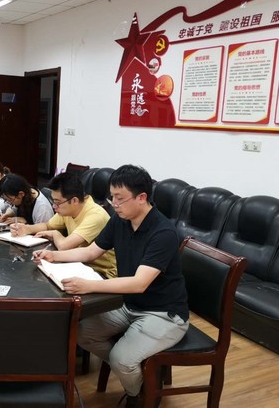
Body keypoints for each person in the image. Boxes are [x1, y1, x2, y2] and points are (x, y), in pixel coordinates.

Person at [33, 165, 189, 408]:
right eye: (111, 197)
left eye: (119, 198)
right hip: (128, 304)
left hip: (163, 313)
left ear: (141, 197)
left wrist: (90, 286)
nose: (113, 204)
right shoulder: (121, 220)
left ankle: (140, 394)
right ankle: (138, 369)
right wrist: (54, 256)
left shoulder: (163, 233)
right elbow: (91, 251)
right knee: (82, 333)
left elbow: (139, 283)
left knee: (121, 359)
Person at [23, 172, 116, 279]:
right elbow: (48, 225)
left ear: (74, 200)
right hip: (79, 263)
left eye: (57, 202)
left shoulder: (96, 215)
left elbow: (64, 246)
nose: (54, 206)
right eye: (53, 201)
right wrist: (26, 228)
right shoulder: (68, 209)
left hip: (103, 272)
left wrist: (55, 234)